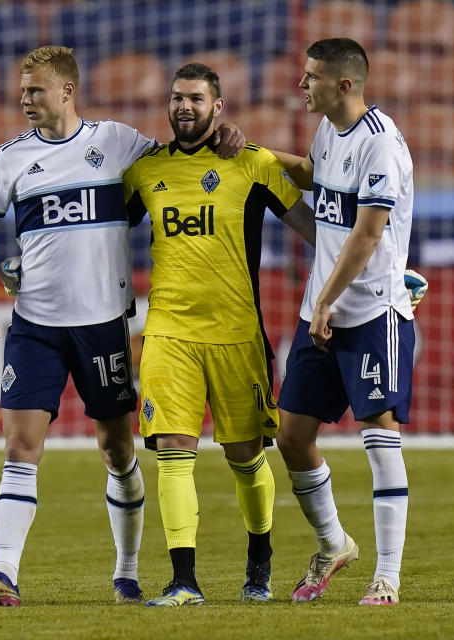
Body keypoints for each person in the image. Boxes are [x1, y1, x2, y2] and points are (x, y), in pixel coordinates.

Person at [0, 46, 244, 607]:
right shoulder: (10, 158)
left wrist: (224, 133)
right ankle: (4, 573)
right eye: (22, 89)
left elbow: (181, 156)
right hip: (34, 324)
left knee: (117, 451)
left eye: (35, 89)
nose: (24, 99)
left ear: (66, 90)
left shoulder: (115, 142)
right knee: (20, 447)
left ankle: (127, 571)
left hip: (103, 327)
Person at [122, 63, 316, 607]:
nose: (185, 106)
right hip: (168, 333)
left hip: (237, 335)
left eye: (197, 99)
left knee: (245, 456)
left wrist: (373, 275)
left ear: (218, 107)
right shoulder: (144, 171)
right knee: (173, 451)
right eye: (177, 97)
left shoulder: (250, 164)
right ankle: (184, 580)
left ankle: (260, 560)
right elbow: (100, 231)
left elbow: (313, 230)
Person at [269, 38, 421, 606]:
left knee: (379, 436)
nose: (302, 85)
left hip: (369, 310)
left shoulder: (381, 146)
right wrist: (262, 158)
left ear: (345, 84)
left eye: (311, 78)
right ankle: (334, 543)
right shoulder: (329, 131)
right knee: (292, 437)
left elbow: (368, 233)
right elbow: (315, 177)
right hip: (322, 310)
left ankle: (387, 576)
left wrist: (328, 300)